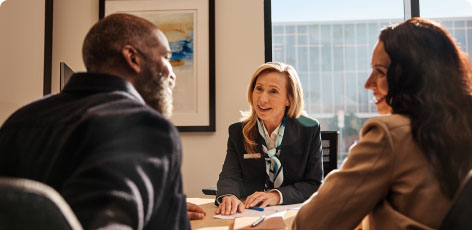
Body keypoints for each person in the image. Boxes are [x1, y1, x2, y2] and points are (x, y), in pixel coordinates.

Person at [0, 13, 205, 229]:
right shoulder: (141, 123)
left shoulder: (19, 120)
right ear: (132, 58)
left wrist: (154, 208)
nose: (172, 73)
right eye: (166, 57)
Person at [293, 18, 472, 230]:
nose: (368, 84)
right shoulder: (460, 127)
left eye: (379, 71)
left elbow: (309, 224)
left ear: (411, 74)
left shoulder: (390, 135)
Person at [216, 62, 323, 215]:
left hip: (293, 215)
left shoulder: (309, 130)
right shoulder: (238, 131)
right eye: (259, 89)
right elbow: (229, 175)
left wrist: (276, 196)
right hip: (249, 213)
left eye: (273, 91)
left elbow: (314, 184)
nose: (263, 99)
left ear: (289, 99)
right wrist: (228, 195)